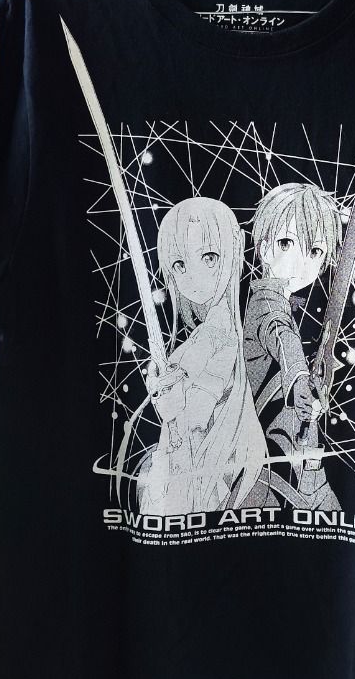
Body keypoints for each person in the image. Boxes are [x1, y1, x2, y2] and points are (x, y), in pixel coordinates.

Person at [135, 196, 267, 516]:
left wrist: (169, 394)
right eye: (180, 265)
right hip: (196, 465)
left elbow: (194, 408)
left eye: (209, 257)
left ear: (232, 253)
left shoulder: (220, 334)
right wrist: (162, 384)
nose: (192, 276)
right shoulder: (209, 332)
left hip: (207, 472)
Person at [244, 182, 343, 511]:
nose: (300, 261)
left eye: (314, 251)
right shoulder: (266, 304)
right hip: (270, 465)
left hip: (295, 460)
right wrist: (300, 381)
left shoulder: (282, 303)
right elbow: (281, 336)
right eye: (286, 243)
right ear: (264, 247)